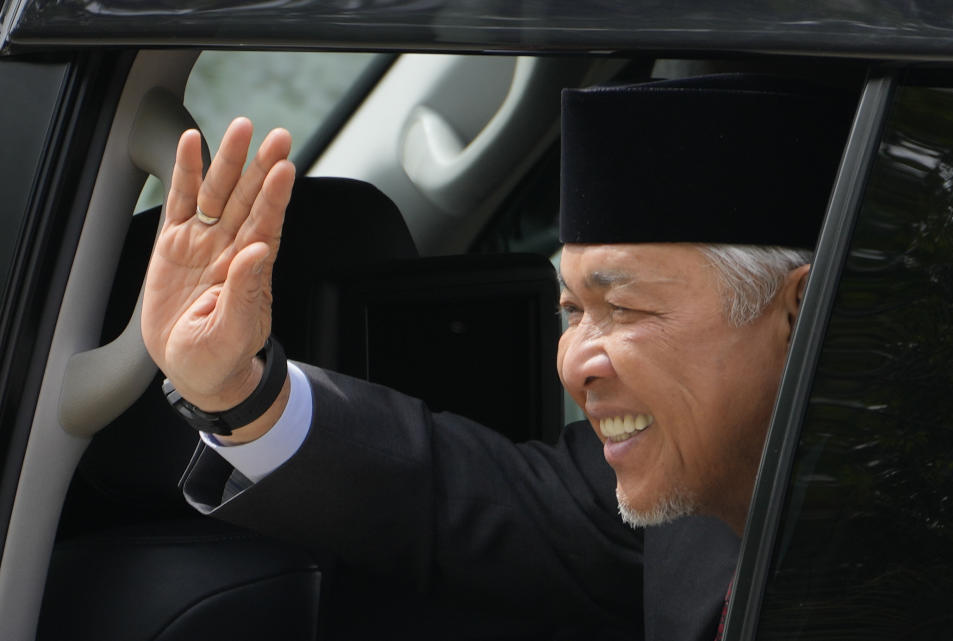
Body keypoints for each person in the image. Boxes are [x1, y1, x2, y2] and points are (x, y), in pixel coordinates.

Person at [142, 74, 854, 639]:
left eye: (625, 309)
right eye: (571, 311)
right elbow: (448, 496)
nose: (576, 361)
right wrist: (239, 389)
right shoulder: (685, 496)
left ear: (798, 312)